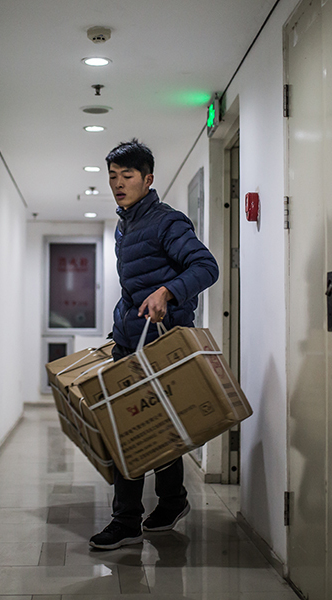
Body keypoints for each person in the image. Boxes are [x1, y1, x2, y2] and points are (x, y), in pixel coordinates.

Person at [89, 139, 219, 550]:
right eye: (112, 177)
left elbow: (206, 266)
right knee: (152, 426)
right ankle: (172, 501)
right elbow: (132, 288)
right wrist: (119, 324)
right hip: (132, 339)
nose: (118, 184)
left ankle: (127, 519)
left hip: (165, 343)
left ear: (148, 179)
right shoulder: (124, 226)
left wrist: (168, 292)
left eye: (127, 176)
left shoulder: (168, 222)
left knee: (131, 427)